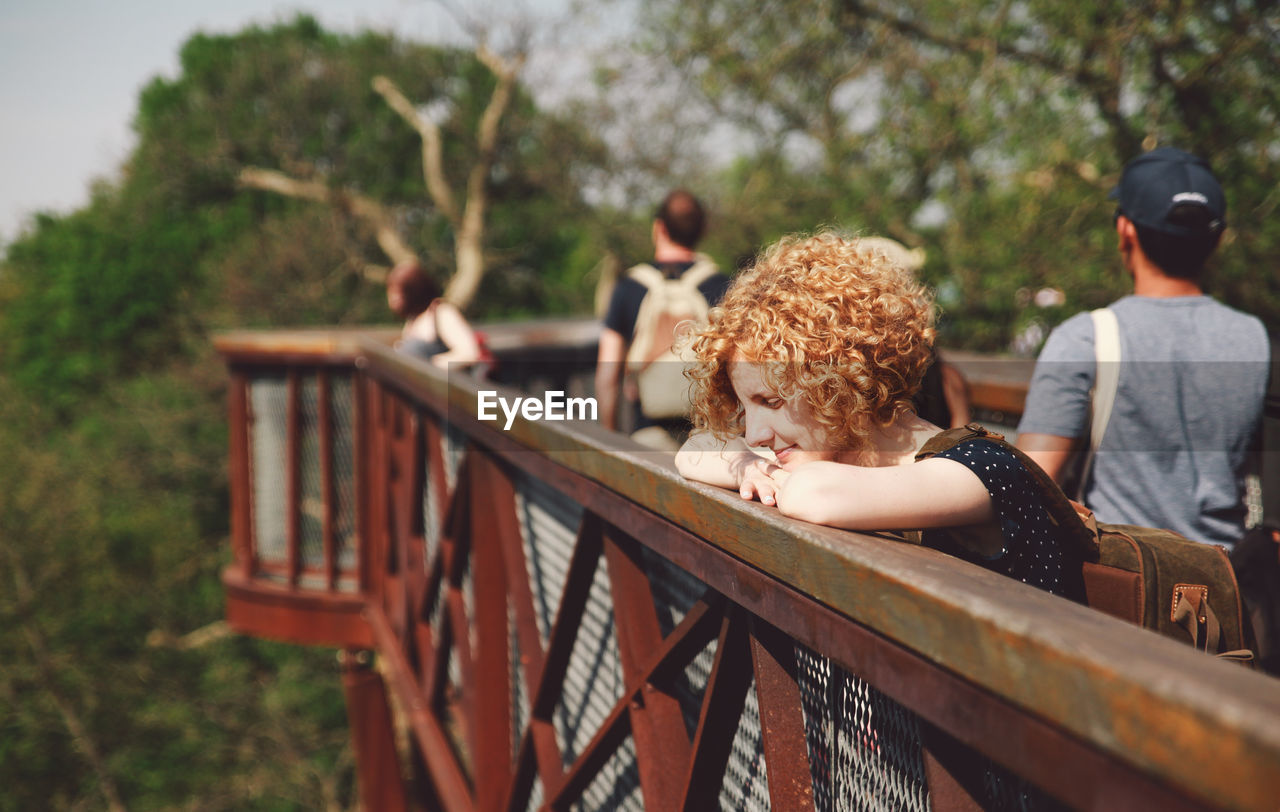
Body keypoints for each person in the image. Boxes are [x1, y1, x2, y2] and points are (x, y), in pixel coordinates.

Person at [674, 231, 1087, 599]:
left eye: (772, 402)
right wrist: (745, 465)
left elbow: (811, 495)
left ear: (839, 381)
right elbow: (694, 449)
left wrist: (765, 473)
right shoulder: (830, 458)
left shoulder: (978, 468)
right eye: (745, 408)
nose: (756, 433)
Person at [1016, 147, 1268, 549]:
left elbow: (1028, 484)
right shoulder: (1257, 339)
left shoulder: (1086, 337)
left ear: (1125, 231)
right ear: (1217, 239)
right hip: (1227, 587)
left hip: (1121, 588)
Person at [595, 189, 733, 450]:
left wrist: (609, 436)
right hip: (709, 436)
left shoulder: (629, 287)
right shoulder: (722, 285)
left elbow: (607, 373)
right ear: (701, 231)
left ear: (658, 228)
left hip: (647, 434)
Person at [386, 260, 484, 369]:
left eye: (398, 293)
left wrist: (431, 366)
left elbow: (470, 354)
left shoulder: (442, 314)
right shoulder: (414, 319)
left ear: (415, 290)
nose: (392, 300)